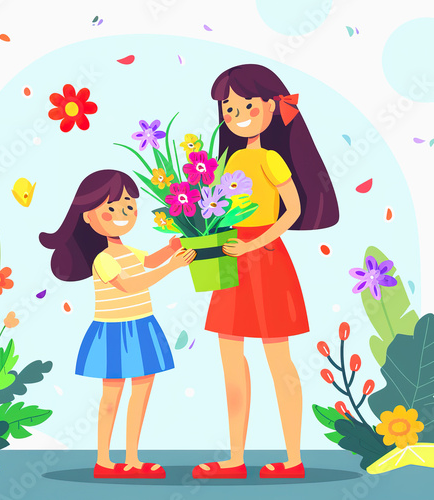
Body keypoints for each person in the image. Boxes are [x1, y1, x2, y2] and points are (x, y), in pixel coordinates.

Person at [193, 64, 339, 479]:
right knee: (231, 362)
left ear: (272, 108)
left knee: (280, 361)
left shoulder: (272, 158)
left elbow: (292, 210)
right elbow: (217, 211)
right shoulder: (229, 158)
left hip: (267, 260)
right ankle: (235, 458)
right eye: (227, 107)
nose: (235, 114)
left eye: (245, 105)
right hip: (230, 260)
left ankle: (292, 459)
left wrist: (254, 244)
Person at [40, 169, 195, 479]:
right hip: (113, 332)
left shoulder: (126, 250)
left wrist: (170, 249)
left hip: (141, 327)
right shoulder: (103, 258)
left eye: (128, 205)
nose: (122, 213)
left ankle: (134, 459)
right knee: (111, 397)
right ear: (87, 216)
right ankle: (104, 461)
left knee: (141, 393)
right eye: (110, 208)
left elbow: (147, 262)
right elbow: (132, 285)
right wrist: (174, 267)